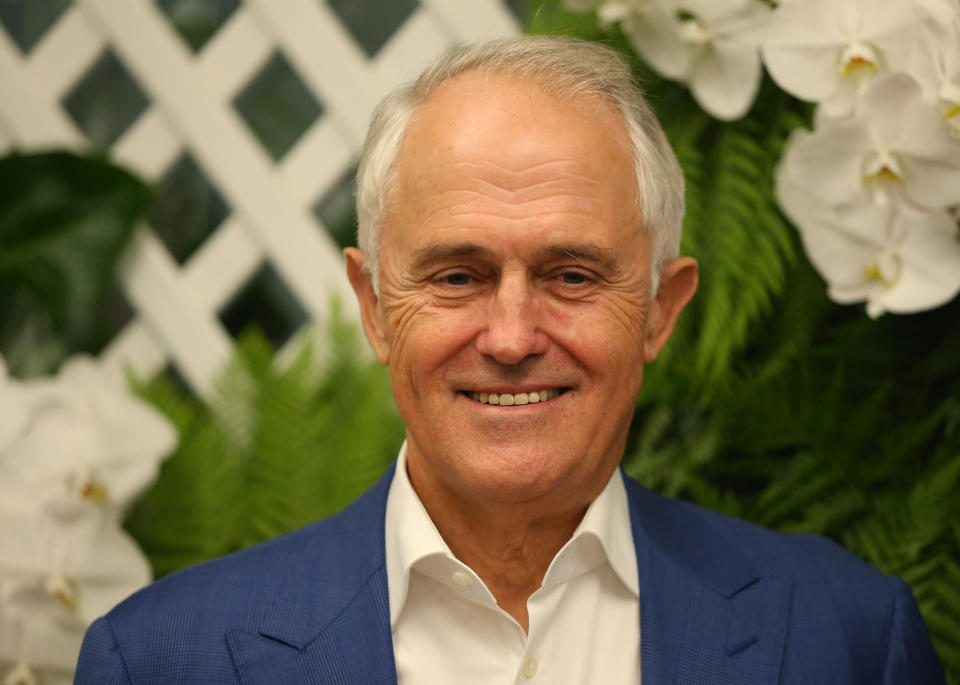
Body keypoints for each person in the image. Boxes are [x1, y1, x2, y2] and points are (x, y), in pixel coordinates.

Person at [75, 36, 945, 684]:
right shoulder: (158, 660)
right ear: (375, 308)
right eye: (458, 275)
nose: (511, 336)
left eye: (572, 274)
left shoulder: (849, 637)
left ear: (659, 309)